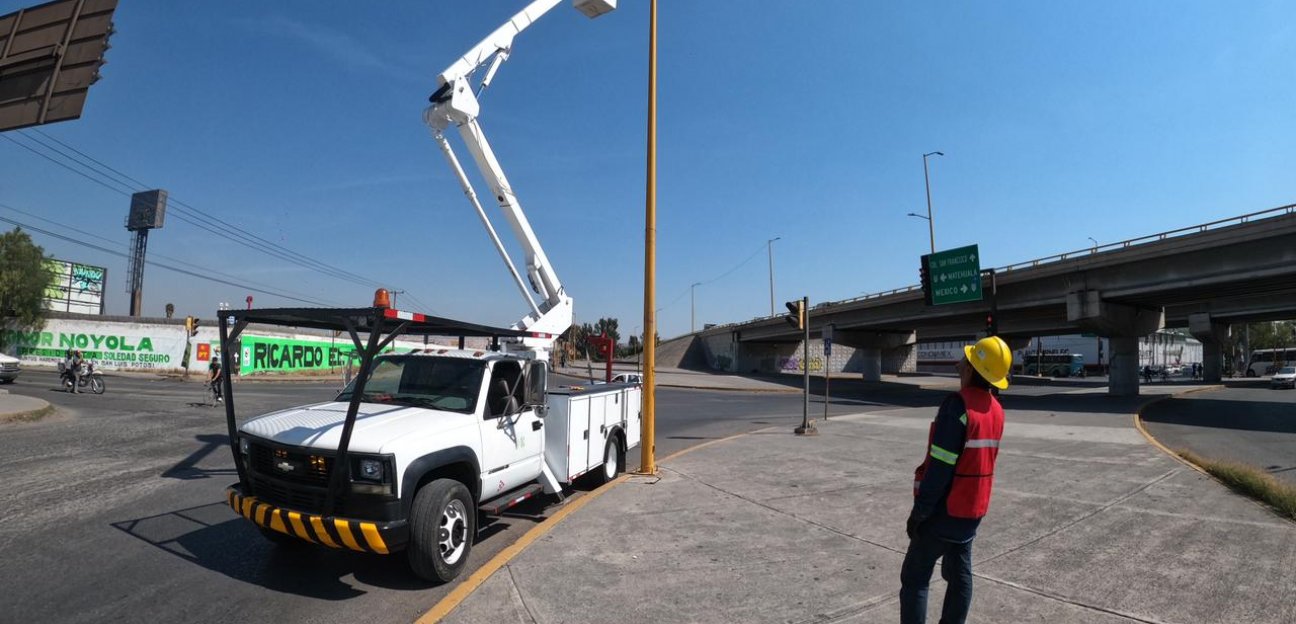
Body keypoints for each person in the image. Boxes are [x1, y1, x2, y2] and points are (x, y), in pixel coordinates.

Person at [900, 335, 1010, 624]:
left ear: (973, 369)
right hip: (972, 512)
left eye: (966, 359)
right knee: (960, 577)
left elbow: (940, 467)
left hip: (942, 512)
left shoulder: (957, 406)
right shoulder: (996, 411)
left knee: (915, 578)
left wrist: (920, 512)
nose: (958, 363)